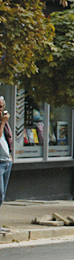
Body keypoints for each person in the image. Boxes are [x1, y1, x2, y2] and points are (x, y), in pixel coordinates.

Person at [0, 96, 13, 234]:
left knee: (1, 195)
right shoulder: (2, 123)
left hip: (6, 162)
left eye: (1, 107)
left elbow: (7, 139)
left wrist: (10, 156)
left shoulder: (4, 123)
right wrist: (2, 123)